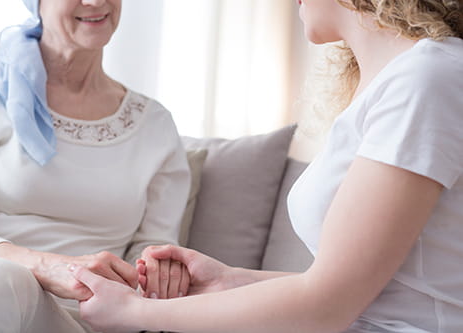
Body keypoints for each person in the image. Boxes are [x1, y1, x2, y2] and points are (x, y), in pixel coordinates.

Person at [71, 0, 463, 332]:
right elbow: (371, 289)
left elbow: (329, 305)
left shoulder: (426, 77)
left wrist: (136, 312)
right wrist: (231, 280)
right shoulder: (402, 79)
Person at [0, 0, 190, 332]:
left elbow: (153, 249)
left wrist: (159, 271)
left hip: (86, 320)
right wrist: (50, 269)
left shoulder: (154, 124)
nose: (96, 2)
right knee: (2, 279)